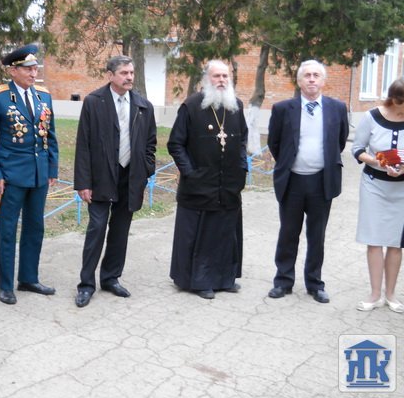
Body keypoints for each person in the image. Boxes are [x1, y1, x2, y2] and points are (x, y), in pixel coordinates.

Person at [73, 55, 157, 308]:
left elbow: (150, 143)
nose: (129, 77)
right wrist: (83, 183)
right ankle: (86, 284)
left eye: (131, 72)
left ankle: (111, 278)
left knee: (120, 231)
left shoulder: (143, 106)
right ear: (110, 75)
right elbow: (83, 144)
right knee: (97, 228)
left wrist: (145, 169)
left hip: (130, 178)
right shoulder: (93, 102)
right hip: (100, 178)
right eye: (124, 73)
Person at [0, 44, 59, 305]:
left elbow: (50, 135)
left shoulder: (43, 96)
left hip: (39, 175)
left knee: (35, 227)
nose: (34, 73)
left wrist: (52, 168)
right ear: (13, 71)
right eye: (28, 69)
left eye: (35, 68)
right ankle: (5, 286)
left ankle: (28, 278)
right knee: (7, 230)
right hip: (11, 176)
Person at [267, 59, 349, 303]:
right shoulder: (283, 109)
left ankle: (314, 283)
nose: (312, 79)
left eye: (316, 75)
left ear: (323, 81)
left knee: (317, 235)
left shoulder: (337, 108)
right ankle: (283, 281)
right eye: (307, 75)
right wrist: (290, 163)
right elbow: (275, 143)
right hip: (292, 181)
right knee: (288, 233)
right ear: (299, 81)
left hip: (321, 182)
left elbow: (340, 141)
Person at [167, 60, 248, 299]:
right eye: (216, 76)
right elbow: (175, 143)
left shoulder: (236, 106)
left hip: (229, 185)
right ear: (207, 79)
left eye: (225, 76)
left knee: (225, 233)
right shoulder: (192, 106)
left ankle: (225, 279)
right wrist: (189, 172)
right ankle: (199, 281)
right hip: (199, 185)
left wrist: (242, 168)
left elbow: (242, 140)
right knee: (201, 235)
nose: (221, 80)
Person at [351, 78, 404, 313]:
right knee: (374, 240)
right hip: (374, 185)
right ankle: (374, 295)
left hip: (401, 190)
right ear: (393, 98)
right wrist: (378, 161)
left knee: (395, 243)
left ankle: (390, 294)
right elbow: (357, 149)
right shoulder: (371, 116)